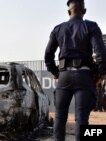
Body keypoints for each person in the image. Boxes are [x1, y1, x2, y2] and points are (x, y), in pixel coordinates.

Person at [44, 0, 106, 140]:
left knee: (59, 118)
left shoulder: (58, 29)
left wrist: (56, 73)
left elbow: (48, 56)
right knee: (81, 120)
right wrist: (100, 74)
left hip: (64, 75)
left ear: (68, 12)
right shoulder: (91, 26)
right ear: (84, 11)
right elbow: (101, 54)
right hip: (84, 75)